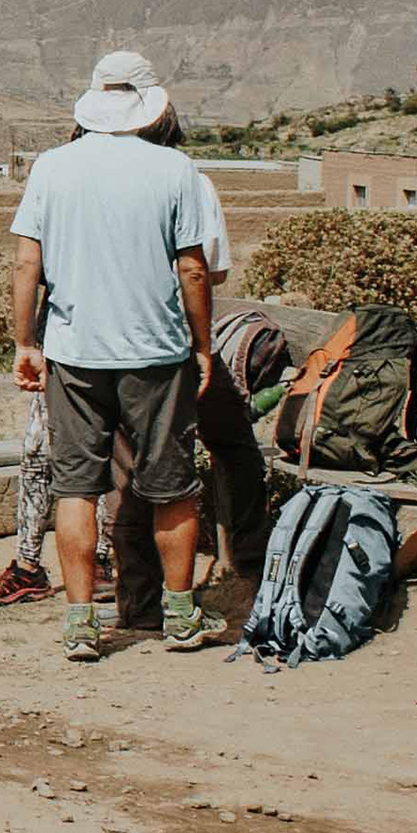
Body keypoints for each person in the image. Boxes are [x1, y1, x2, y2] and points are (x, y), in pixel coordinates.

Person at [7, 50, 215, 660]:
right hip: (156, 352)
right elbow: (193, 269)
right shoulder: (175, 169)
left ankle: (80, 622)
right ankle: (180, 614)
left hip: (75, 353)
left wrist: (26, 342)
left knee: (76, 488)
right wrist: (203, 345)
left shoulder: (52, 167)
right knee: (172, 486)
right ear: (149, 107)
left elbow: (26, 262)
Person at [112, 111, 273, 624]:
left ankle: (139, 598)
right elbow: (210, 269)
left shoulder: (100, 181)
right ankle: (247, 559)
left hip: (113, 345)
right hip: (177, 340)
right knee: (233, 444)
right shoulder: (190, 181)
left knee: (131, 468)